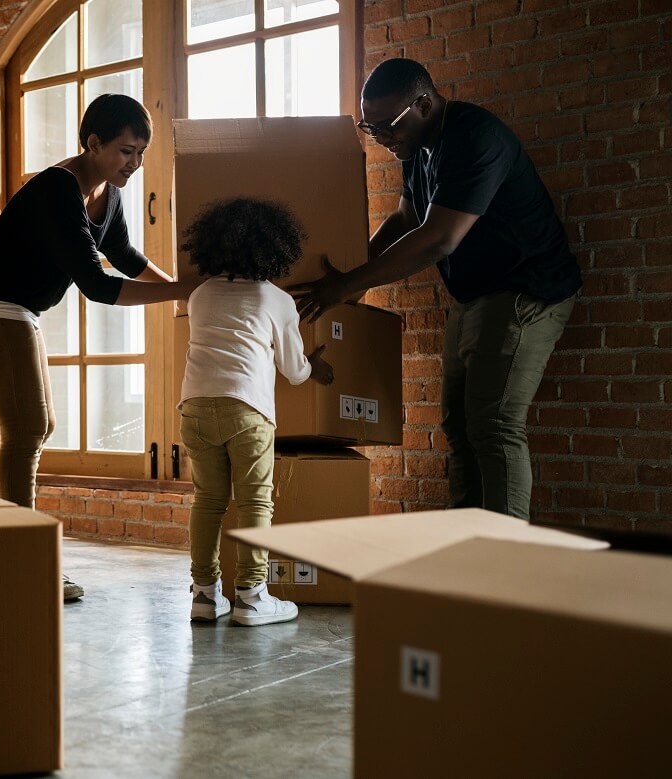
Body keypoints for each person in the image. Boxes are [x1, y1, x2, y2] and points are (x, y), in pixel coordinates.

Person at [291, 58, 581, 521]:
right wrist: (352, 272)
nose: (383, 139)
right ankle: (464, 547)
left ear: (423, 104)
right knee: (460, 426)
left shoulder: (474, 137)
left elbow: (439, 237)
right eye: (373, 128)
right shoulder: (417, 146)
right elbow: (408, 218)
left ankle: (503, 568)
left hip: (527, 289)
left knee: (495, 425)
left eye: (389, 127)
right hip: (476, 295)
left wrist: (349, 285)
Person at [0, 94, 201, 602]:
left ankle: (21, 553)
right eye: (126, 152)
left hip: (20, 310)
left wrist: (185, 295)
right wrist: (181, 293)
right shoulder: (55, 189)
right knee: (24, 428)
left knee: (38, 426)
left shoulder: (108, 196)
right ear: (93, 144)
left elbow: (126, 258)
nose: (133, 164)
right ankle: (23, 562)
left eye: (140, 154)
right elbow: (95, 283)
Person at [178, 198, 334, 625]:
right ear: (275, 249)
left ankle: (205, 595)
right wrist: (314, 368)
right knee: (254, 502)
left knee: (207, 501)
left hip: (193, 406)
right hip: (247, 409)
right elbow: (293, 368)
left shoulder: (201, 295)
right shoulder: (276, 298)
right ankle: (251, 596)